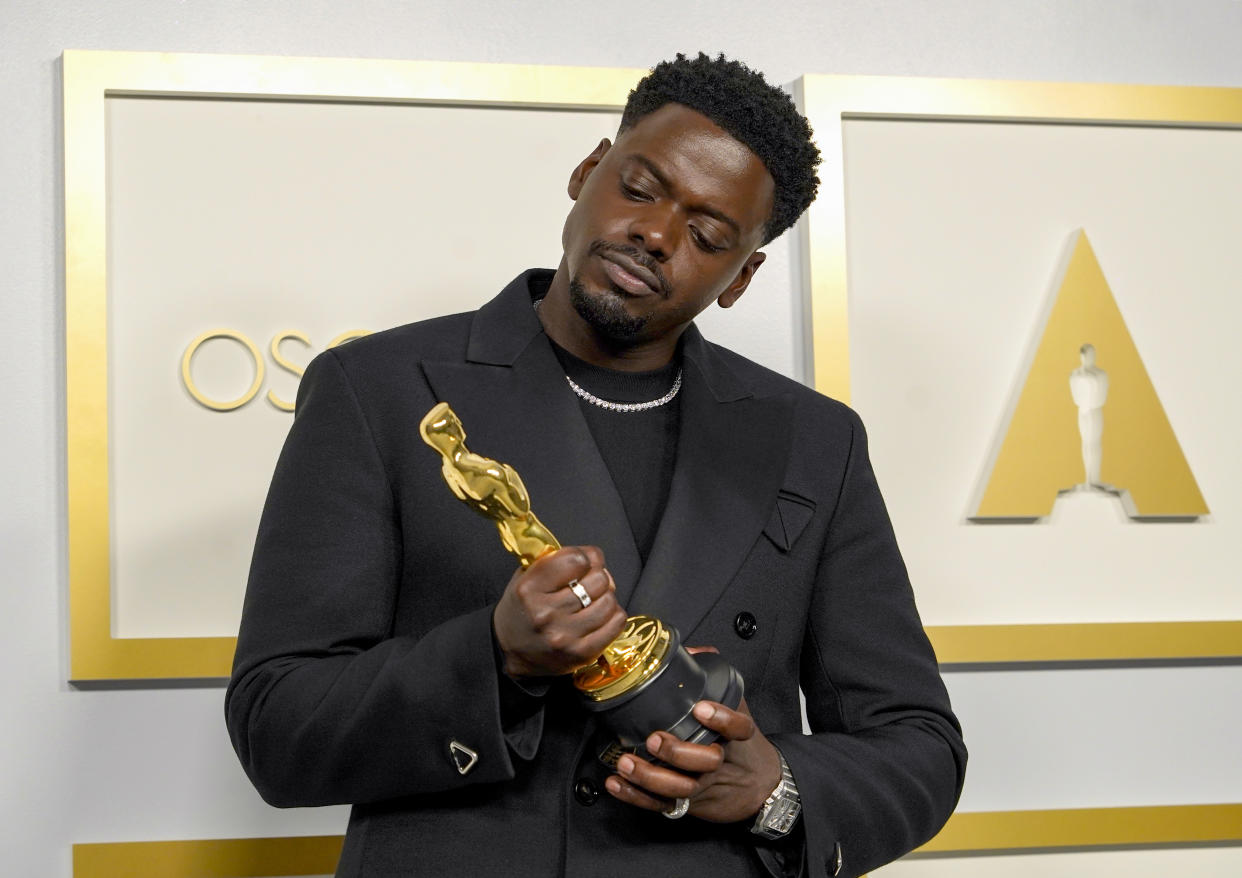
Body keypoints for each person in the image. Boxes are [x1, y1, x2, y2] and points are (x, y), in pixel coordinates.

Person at [226, 53, 966, 878]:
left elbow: (919, 746)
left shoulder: (815, 441)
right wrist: (496, 657)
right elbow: (276, 727)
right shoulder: (383, 392)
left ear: (741, 277)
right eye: (641, 189)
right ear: (586, 172)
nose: (655, 235)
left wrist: (774, 787)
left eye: (708, 234)